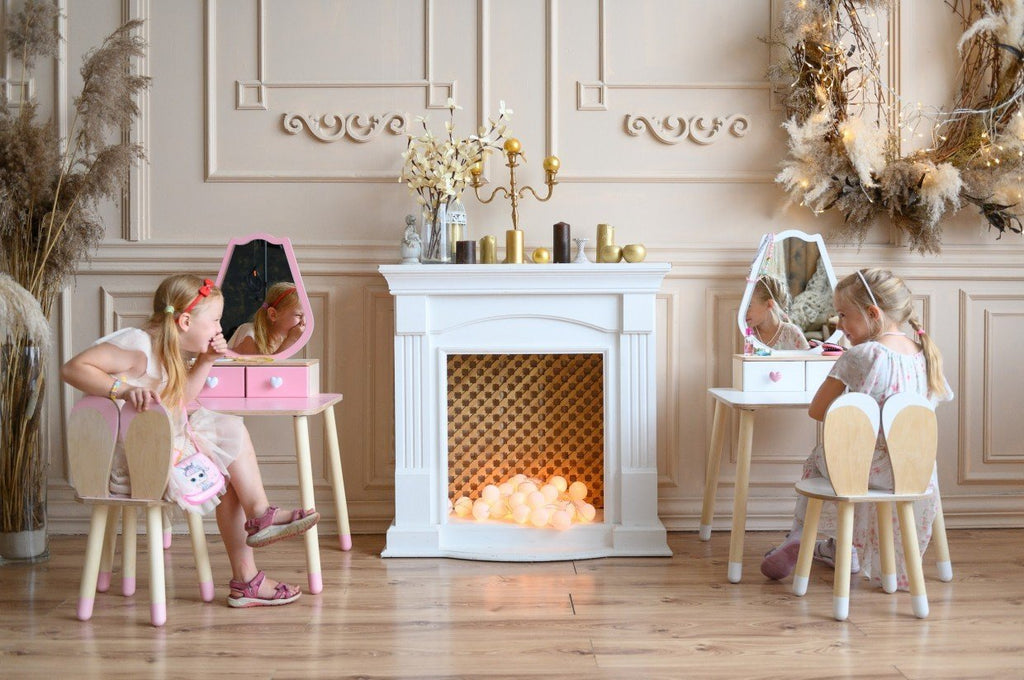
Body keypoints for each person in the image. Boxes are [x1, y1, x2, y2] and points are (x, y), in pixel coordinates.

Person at [61, 274, 320, 607]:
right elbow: (73, 368)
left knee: (227, 438)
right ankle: (252, 553)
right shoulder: (138, 347)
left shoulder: (167, 353)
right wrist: (122, 390)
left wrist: (207, 360)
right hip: (135, 465)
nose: (219, 329)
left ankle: (254, 544)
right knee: (226, 438)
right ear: (185, 322)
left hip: (159, 451)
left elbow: (179, 400)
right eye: (214, 320)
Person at [759, 268, 952, 589]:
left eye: (844, 315)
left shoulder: (863, 355)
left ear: (873, 314)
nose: (840, 324)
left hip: (865, 471)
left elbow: (817, 411)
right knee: (849, 460)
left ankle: (802, 536)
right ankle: (841, 548)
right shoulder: (925, 353)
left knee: (820, 457)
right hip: (915, 472)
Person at [228, 282, 306, 356]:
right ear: (273, 315)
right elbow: (266, 366)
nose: (304, 322)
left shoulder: (281, 339)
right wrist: (291, 340)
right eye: (298, 315)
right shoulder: (250, 335)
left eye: (306, 316)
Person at [745, 275, 810, 350]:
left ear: (769, 304)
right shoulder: (747, 333)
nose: (744, 311)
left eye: (749, 305)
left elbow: (807, 357)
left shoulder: (792, 333)